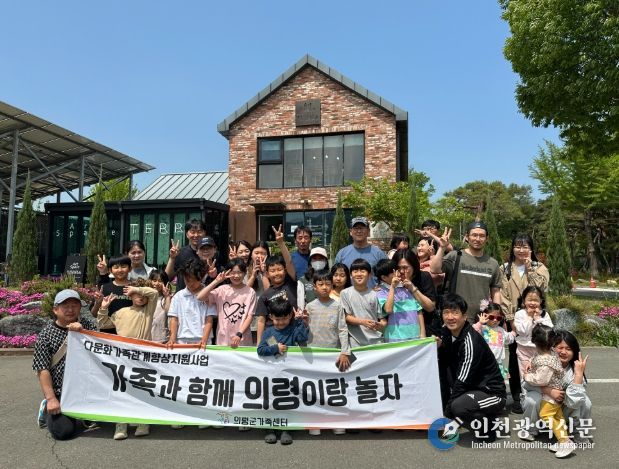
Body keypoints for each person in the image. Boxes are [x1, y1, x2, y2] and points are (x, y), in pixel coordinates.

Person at [438, 293, 507, 442]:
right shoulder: (446, 333)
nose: (450, 317)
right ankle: (465, 417)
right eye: (446, 312)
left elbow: (462, 380)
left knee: (459, 407)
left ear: (464, 317)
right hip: (473, 388)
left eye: (455, 313)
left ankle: (488, 427)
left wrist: (447, 415)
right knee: (446, 376)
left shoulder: (470, 340)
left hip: (492, 393)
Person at [33, 289, 98, 440]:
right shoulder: (45, 335)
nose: (70, 310)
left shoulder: (87, 325)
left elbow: (100, 350)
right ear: (55, 310)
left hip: (87, 388)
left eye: (74, 305)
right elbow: (42, 369)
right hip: (61, 391)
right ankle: (46, 406)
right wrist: (51, 398)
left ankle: (84, 412)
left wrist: (83, 333)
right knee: (63, 432)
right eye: (65, 306)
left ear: (80, 308)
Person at [98, 281, 158, 440]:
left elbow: (154, 293)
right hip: (123, 357)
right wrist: (103, 308)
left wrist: (137, 289)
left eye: (143, 294)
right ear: (129, 295)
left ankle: (143, 422)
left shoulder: (148, 311)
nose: (141, 297)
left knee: (143, 390)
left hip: (143, 358)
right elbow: (102, 323)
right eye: (137, 294)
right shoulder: (120, 312)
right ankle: (121, 424)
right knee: (121, 391)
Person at [501, 233, 550, 413]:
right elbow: (502, 294)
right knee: (515, 358)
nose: (521, 250)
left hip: (537, 318)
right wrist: (510, 319)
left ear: (531, 249)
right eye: (518, 246)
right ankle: (517, 396)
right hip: (514, 318)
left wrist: (530, 270)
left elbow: (541, 289)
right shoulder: (505, 268)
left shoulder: (540, 267)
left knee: (539, 355)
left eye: (525, 246)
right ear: (512, 248)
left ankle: (538, 392)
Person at [521, 330, 592, 444]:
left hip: (561, 410)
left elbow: (575, 402)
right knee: (531, 399)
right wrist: (547, 390)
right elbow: (525, 384)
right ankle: (530, 429)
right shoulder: (541, 362)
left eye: (568, 349)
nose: (563, 352)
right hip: (543, 409)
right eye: (560, 348)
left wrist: (578, 375)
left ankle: (578, 432)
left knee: (586, 402)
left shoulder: (575, 369)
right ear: (552, 347)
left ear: (574, 351)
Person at [257, 297, 309, 445]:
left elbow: (302, 339)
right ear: (271, 317)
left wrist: (300, 322)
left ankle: (286, 429)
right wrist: (275, 348)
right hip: (272, 375)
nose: (281, 322)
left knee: (288, 400)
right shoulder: (268, 332)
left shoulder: (293, 328)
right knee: (270, 401)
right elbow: (260, 350)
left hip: (289, 375)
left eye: (285, 319)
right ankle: (270, 428)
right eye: (277, 319)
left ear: (290, 316)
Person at [306, 269, 351, 436]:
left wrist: (345, 351)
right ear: (314, 287)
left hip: (333, 353)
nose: (324, 287)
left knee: (334, 389)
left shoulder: (338, 305)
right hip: (314, 354)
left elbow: (342, 329)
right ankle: (315, 422)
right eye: (320, 284)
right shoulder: (309, 307)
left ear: (332, 285)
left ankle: (336, 422)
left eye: (327, 284)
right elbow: (304, 330)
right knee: (315, 389)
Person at [429, 221, 502, 321]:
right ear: (467, 237)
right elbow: (434, 269)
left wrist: (496, 315)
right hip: (455, 317)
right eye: (474, 235)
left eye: (482, 236)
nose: (478, 239)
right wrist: (442, 247)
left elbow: (496, 291)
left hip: (481, 319)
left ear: (487, 238)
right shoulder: (456, 256)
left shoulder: (493, 263)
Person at [522, 325, 576, 458]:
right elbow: (536, 355)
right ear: (552, 343)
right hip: (557, 390)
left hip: (550, 395)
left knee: (546, 414)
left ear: (534, 341)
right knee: (557, 417)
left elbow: (540, 380)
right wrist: (530, 361)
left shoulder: (545, 362)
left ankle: (565, 442)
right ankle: (564, 439)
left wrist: (527, 376)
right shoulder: (550, 352)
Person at [196, 258, 256, 347]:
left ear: (244, 273)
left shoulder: (250, 292)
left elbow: (250, 316)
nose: (236, 276)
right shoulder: (222, 290)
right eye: (233, 272)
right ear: (228, 273)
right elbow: (200, 297)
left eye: (239, 272)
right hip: (223, 339)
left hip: (242, 339)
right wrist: (216, 281)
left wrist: (239, 334)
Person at [166, 259, 216, 347]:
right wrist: (172, 338)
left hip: (203, 341)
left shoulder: (208, 295)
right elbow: (174, 319)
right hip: (182, 340)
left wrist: (204, 339)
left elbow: (209, 319)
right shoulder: (178, 296)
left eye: (194, 280)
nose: (191, 283)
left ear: (201, 278)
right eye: (188, 280)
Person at [374, 258, 424, 342]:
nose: (399, 272)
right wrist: (392, 287)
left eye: (397, 269)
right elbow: (388, 309)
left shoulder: (407, 287)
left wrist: (422, 334)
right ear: (384, 277)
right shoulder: (380, 292)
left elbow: (418, 311)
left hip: (415, 337)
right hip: (395, 339)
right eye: (394, 271)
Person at [340, 258, 383, 347]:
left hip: (375, 341)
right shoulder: (345, 293)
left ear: (369, 275)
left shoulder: (375, 294)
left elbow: (382, 319)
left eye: (363, 271)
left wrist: (380, 325)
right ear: (350, 275)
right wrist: (362, 322)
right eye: (355, 271)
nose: (359, 274)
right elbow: (346, 316)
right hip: (355, 343)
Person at [255, 254, 298, 344]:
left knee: (291, 352)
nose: (276, 273)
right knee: (274, 351)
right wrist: (259, 343)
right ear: (267, 274)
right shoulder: (264, 296)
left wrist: (281, 245)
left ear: (285, 271)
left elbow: (289, 262)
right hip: (272, 337)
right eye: (272, 271)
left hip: (292, 333)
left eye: (279, 269)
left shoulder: (292, 285)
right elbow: (261, 321)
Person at [335, 216, 387, 288]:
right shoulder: (342, 253)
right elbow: (335, 276)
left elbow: (387, 276)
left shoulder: (378, 254)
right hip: (348, 294)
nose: (359, 231)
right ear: (350, 232)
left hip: (372, 294)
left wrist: (380, 288)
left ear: (368, 231)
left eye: (362, 228)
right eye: (356, 228)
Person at [514, 286, 554, 377]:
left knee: (541, 373)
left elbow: (549, 330)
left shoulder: (544, 314)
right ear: (524, 301)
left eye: (536, 300)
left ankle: (540, 387)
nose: (532, 303)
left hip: (541, 349)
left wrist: (538, 319)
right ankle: (525, 386)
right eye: (529, 300)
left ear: (541, 301)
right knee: (525, 373)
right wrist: (530, 317)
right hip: (524, 349)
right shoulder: (519, 314)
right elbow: (522, 331)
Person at [472, 301, 515, 379]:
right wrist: (480, 323)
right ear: (485, 315)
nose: (495, 320)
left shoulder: (501, 330)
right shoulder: (482, 328)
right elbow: (472, 332)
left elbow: (509, 338)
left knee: (499, 383)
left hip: (498, 364)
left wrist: (514, 332)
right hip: (484, 363)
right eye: (491, 317)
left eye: (498, 318)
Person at [94, 255, 133, 334]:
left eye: (123, 266)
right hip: (108, 335)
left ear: (130, 268)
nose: (120, 270)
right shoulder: (104, 288)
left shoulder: (135, 288)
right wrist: (98, 303)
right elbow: (94, 314)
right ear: (110, 270)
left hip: (130, 334)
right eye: (116, 267)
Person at [165, 219, 207, 291]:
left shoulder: (211, 253)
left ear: (205, 233)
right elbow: (167, 277)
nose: (196, 235)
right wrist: (172, 258)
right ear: (187, 234)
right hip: (183, 296)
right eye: (192, 232)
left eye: (199, 232)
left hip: (205, 295)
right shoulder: (180, 253)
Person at [148, 270, 171, 343]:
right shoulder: (145, 298)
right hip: (147, 338)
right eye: (154, 280)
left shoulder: (167, 299)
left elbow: (169, 312)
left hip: (162, 338)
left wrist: (167, 296)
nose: (157, 283)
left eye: (160, 281)